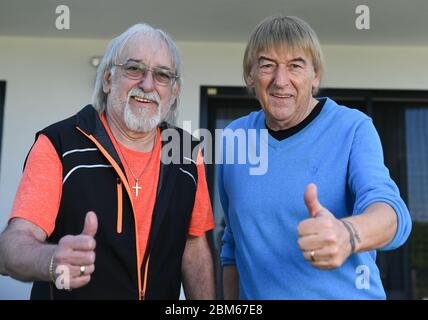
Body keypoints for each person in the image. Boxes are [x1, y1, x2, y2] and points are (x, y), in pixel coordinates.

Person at [0, 23, 215, 300]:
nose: (147, 84)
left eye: (162, 75)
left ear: (173, 92)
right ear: (108, 79)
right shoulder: (59, 144)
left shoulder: (187, 152)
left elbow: (194, 247)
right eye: (134, 69)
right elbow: (10, 247)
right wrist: (51, 259)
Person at [218, 15, 412, 299]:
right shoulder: (235, 138)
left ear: (315, 76)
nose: (280, 81)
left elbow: (392, 213)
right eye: (267, 65)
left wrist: (348, 234)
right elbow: (233, 244)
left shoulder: (353, 128)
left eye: (295, 65)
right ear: (250, 75)